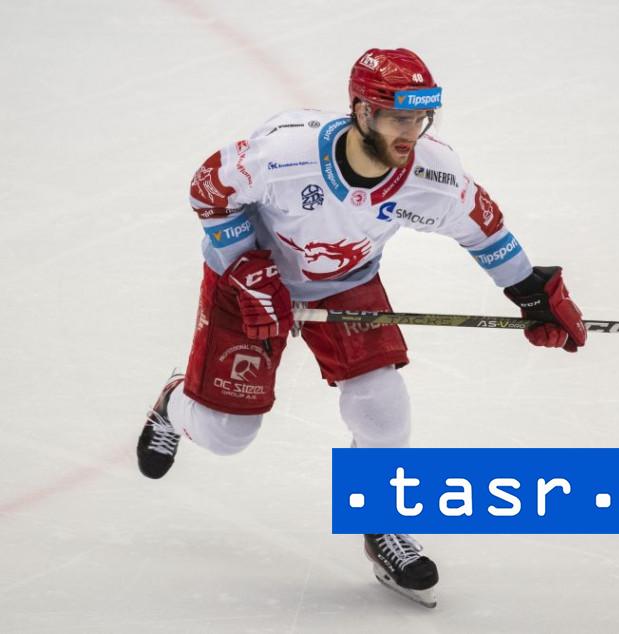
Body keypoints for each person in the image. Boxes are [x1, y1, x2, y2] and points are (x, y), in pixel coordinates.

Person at [137, 47, 586, 608]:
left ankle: (380, 523)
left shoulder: (433, 175)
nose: (412, 134)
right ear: (363, 111)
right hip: (251, 280)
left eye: (422, 119)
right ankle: (176, 403)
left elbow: (485, 231)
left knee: (382, 407)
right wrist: (245, 263)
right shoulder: (284, 155)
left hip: (345, 282)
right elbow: (210, 190)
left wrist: (531, 292)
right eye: (399, 118)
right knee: (226, 435)